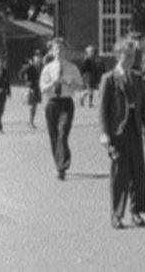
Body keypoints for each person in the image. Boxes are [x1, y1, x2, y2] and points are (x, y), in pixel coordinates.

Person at [99, 39, 145, 229]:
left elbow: (143, 104)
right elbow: (103, 109)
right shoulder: (109, 78)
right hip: (118, 131)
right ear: (118, 55)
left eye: (132, 56)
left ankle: (136, 211)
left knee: (138, 172)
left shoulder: (137, 78)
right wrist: (104, 133)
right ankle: (117, 214)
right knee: (120, 173)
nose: (130, 59)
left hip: (134, 129)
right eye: (126, 55)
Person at [39, 37, 85, 180]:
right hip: (52, 103)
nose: (59, 51)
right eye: (56, 49)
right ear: (52, 51)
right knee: (54, 136)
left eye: (61, 49)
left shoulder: (72, 68)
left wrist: (70, 84)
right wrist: (52, 83)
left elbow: (80, 85)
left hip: (66, 103)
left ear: (66, 51)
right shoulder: (47, 68)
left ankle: (62, 167)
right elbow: (42, 88)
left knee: (63, 133)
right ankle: (59, 161)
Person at [19, 50, 44, 129]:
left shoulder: (43, 67)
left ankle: (31, 121)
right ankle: (31, 122)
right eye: (37, 57)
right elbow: (20, 74)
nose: (38, 58)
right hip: (32, 88)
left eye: (40, 56)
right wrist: (26, 81)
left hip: (39, 88)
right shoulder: (30, 66)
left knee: (35, 106)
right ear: (34, 58)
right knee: (33, 106)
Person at [0, 53, 9, 133]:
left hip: (3, 93)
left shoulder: (4, 70)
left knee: (2, 110)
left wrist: (8, 91)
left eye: (0, 60)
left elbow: (7, 81)